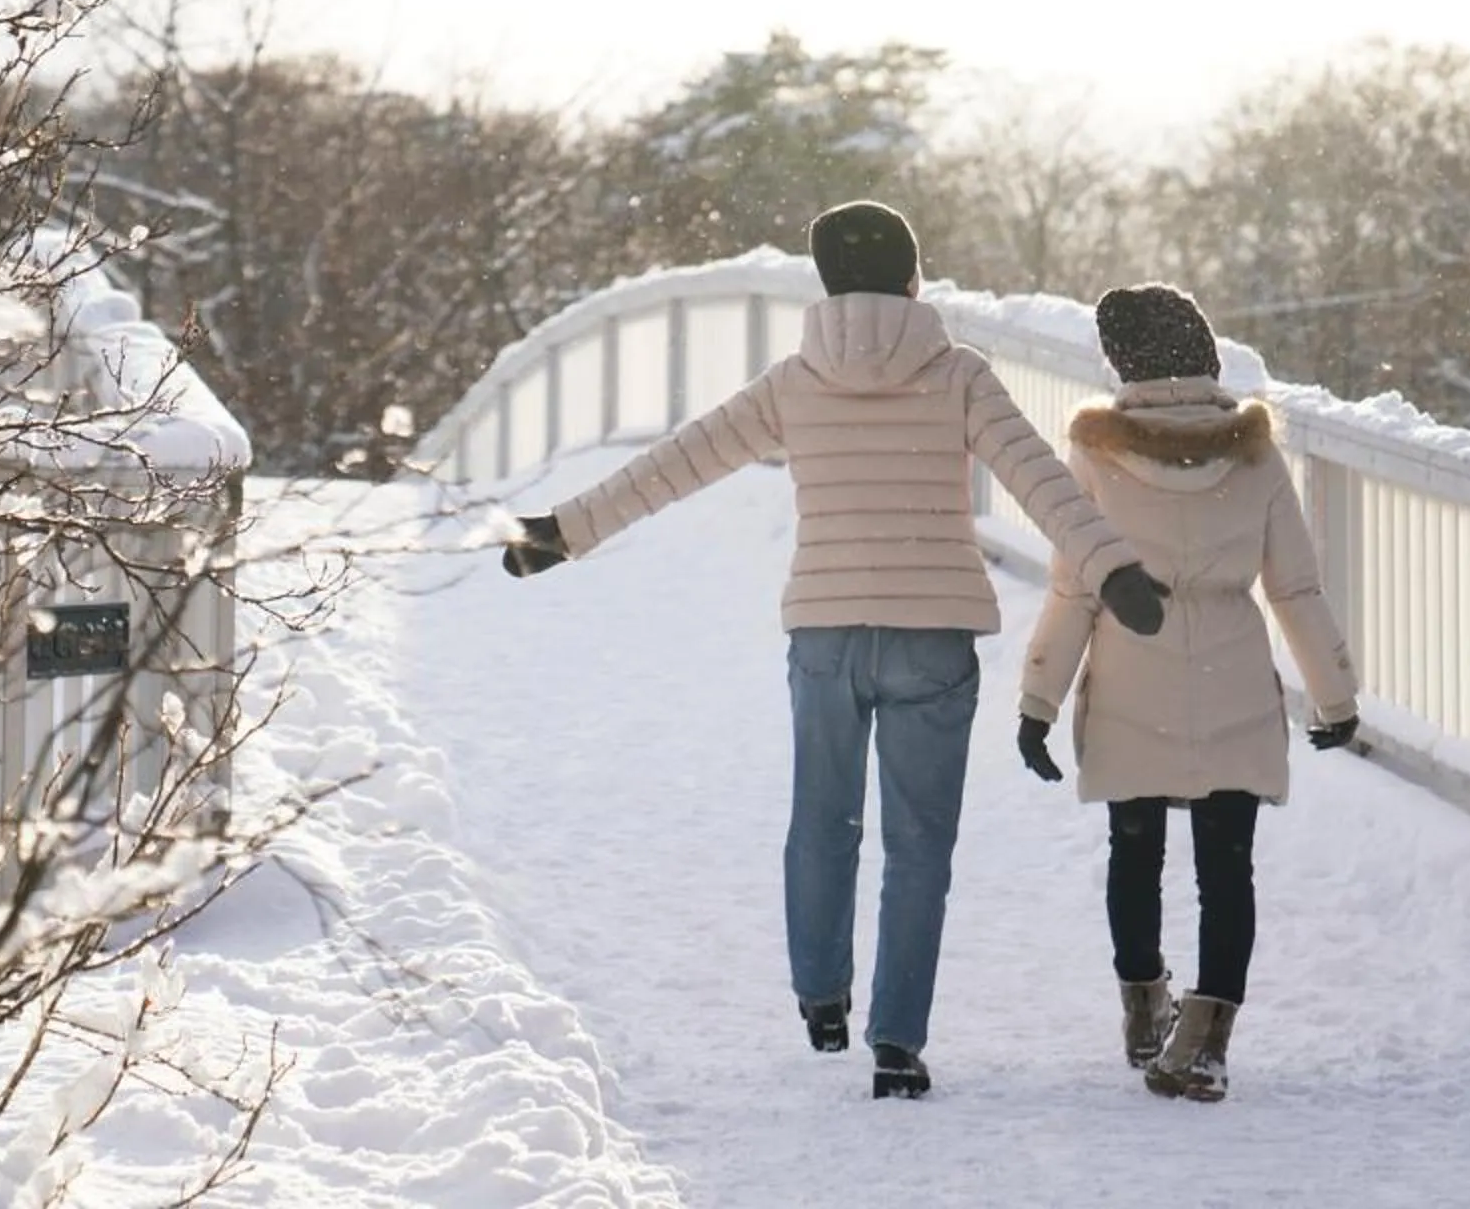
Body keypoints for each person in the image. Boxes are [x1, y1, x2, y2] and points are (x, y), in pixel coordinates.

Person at [501, 201, 1164, 1100]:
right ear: (912, 277)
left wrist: (565, 531)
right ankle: (896, 1043)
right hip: (932, 636)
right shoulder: (958, 373)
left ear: (824, 283)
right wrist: (1114, 566)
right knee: (919, 844)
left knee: (822, 818)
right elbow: (1040, 480)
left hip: (826, 632)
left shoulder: (795, 379)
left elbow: (679, 461)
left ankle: (820, 995)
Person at [1014, 283, 1360, 1104]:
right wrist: (1335, 697)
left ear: (1123, 363)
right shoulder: (1255, 453)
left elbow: (1076, 588)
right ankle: (1204, 1042)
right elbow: (1296, 589)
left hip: (1134, 675)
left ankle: (1144, 1012)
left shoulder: (1098, 454)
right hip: (1234, 676)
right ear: (1205, 354)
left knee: (1135, 854)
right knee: (1226, 869)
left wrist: (1039, 704)